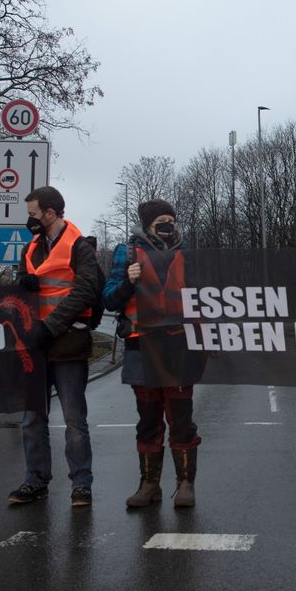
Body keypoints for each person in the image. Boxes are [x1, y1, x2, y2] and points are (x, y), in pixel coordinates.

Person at [103, 199, 201, 508]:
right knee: (148, 420)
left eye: (171, 220)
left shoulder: (187, 254)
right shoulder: (126, 253)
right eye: (161, 221)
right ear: (147, 225)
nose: (168, 226)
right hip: (141, 347)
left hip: (179, 346)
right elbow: (109, 300)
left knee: (181, 418)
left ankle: (185, 484)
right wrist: (128, 283)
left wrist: (208, 338)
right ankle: (149, 484)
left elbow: (204, 297)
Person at [8, 186, 99, 507]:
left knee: (74, 418)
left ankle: (81, 482)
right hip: (36, 344)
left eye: (32, 214)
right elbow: (22, 293)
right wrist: (24, 288)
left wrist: (51, 326)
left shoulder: (79, 246)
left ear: (50, 213)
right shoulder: (31, 247)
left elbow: (85, 290)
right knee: (32, 418)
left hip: (68, 343)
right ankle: (35, 479)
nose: (29, 220)